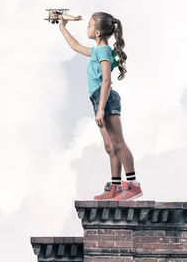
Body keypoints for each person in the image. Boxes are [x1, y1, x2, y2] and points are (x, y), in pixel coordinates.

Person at [56, 11, 143, 201]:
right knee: (110, 146)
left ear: (97, 32)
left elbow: (106, 80)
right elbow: (76, 46)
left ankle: (134, 185)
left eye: (89, 25)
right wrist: (62, 27)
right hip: (99, 100)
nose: (86, 27)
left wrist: (101, 108)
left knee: (118, 143)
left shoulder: (103, 51)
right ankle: (115, 186)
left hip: (105, 99)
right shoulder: (97, 51)